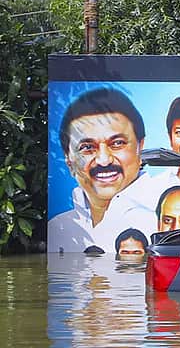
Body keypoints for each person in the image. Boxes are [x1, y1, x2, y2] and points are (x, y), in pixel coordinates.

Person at [48, 88, 158, 253]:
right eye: (87, 147)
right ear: (68, 160)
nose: (104, 160)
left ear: (140, 148)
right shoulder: (59, 228)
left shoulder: (166, 218)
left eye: (117, 143)